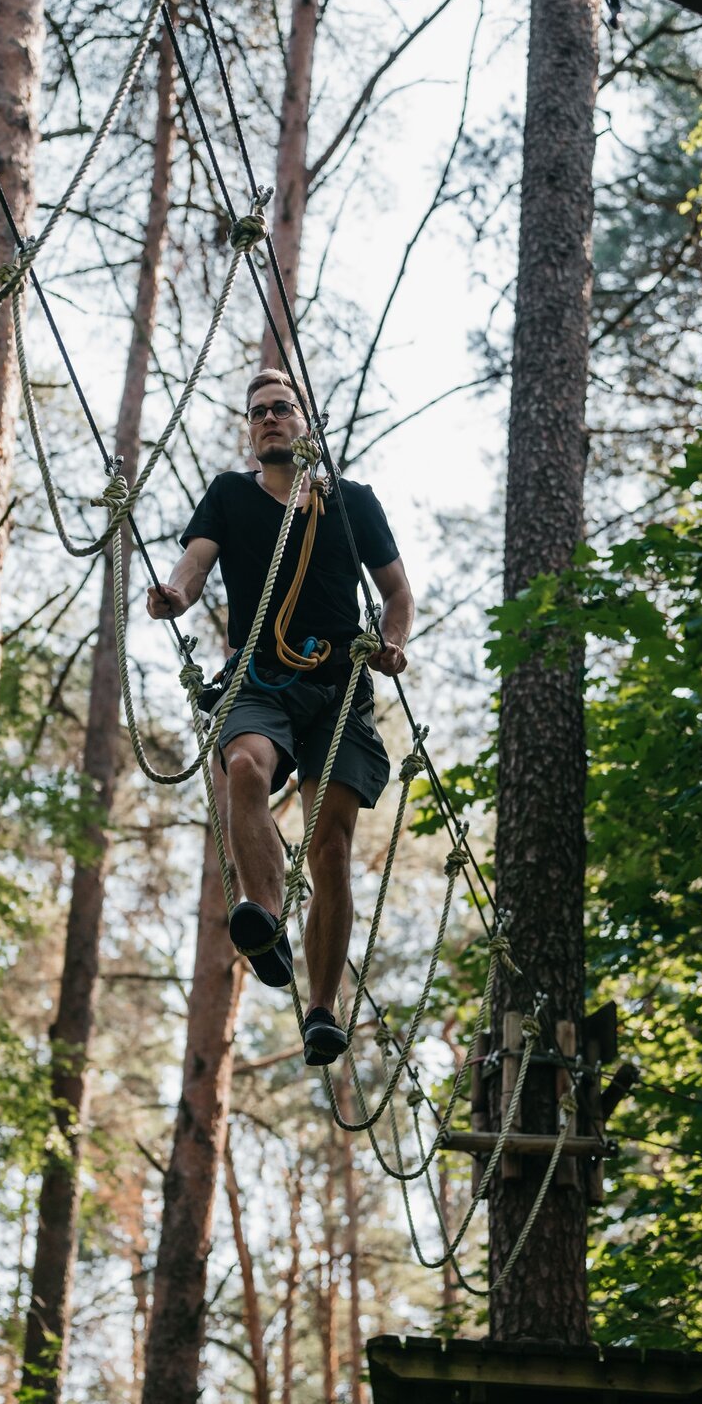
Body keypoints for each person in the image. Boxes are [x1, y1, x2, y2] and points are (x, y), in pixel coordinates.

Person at [146, 366, 414, 1067]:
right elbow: (195, 563)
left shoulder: (352, 504)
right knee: (242, 763)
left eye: (282, 408)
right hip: (262, 679)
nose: (269, 418)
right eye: (258, 411)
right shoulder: (231, 496)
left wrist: (394, 642)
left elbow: (397, 593)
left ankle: (323, 1009)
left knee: (331, 848)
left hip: (339, 690)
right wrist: (175, 594)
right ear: (250, 427)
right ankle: (263, 919)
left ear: (306, 423)